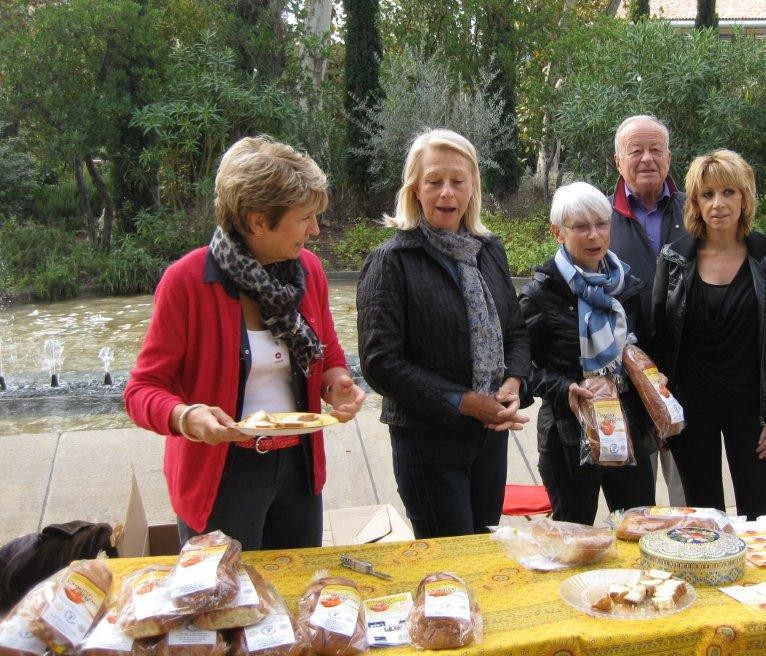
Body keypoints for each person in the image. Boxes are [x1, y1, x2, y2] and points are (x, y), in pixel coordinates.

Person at [124, 135, 365, 551]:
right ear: (257, 222)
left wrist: (337, 384)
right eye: (305, 218)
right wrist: (187, 416)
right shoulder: (186, 282)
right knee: (224, 590)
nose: (315, 229)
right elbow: (141, 390)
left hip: (298, 471)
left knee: (296, 585)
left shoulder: (308, 270)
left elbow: (328, 354)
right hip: (220, 476)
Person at [357, 129, 531, 539]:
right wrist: (465, 401)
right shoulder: (391, 261)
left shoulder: (490, 250)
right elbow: (380, 363)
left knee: (484, 550)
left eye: (457, 181)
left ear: (473, 187)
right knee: (450, 560)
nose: (447, 192)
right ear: (414, 189)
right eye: (434, 181)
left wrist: (513, 381)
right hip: (428, 442)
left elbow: (516, 331)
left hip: (490, 438)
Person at [652, 149, 766, 521]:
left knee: (762, 521)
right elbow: (658, 341)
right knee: (704, 524)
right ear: (695, 202)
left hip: (754, 411)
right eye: (707, 194)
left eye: (728, 192)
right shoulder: (674, 260)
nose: (718, 203)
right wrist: (659, 413)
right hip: (691, 414)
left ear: (744, 198)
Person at [519, 182, 657, 525]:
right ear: (558, 232)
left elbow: (643, 345)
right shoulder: (542, 293)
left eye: (601, 224)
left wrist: (650, 375)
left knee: (638, 526)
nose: (594, 235)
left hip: (626, 425)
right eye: (581, 227)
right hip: (568, 434)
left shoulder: (625, 283)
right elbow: (519, 366)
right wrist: (564, 387)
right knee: (575, 535)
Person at [608, 114, 687, 506]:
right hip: (626, 385)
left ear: (668, 158)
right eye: (635, 150)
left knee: (691, 502)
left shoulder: (695, 212)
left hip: (687, 380)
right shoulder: (600, 219)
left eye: (656, 149)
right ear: (618, 161)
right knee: (635, 508)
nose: (646, 158)